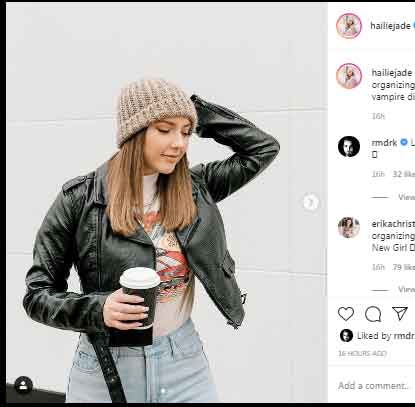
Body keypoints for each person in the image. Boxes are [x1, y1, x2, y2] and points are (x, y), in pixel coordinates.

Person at [22, 77, 280, 403]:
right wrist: (98, 309)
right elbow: (38, 295)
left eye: (186, 132)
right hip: (106, 367)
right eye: (165, 129)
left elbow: (263, 148)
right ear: (135, 131)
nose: (179, 143)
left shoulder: (196, 187)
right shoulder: (80, 199)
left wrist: (194, 111)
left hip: (183, 360)